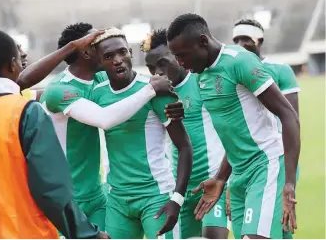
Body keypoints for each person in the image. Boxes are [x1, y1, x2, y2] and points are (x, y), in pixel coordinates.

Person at [0, 29, 109, 239]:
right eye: (20, 58)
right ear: (12, 65)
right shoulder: (26, 112)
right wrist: (88, 233)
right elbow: (52, 189)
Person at [166, 14, 300, 239]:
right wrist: (220, 178)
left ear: (202, 42)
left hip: (265, 167)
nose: (180, 63)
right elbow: (234, 134)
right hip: (237, 177)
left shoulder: (240, 61)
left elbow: (289, 115)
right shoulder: (201, 76)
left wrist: (289, 182)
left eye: (182, 55)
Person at [39, 23, 182, 233]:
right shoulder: (60, 89)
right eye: (96, 40)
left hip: (98, 197)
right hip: (65, 199)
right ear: (87, 51)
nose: (105, 42)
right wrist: (151, 90)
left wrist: (170, 99)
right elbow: (104, 119)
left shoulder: (100, 80)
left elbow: (132, 81)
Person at [90, 27, 193, 239]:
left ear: (130, 52)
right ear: (100, 63)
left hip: (156, 196)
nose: (117, 60)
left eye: (121, 52)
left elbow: (184, 146)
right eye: (108, 56)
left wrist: (176, 198)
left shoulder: (155, 89)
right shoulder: (97, 95)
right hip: (117, 200)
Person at [141, 28, 230, 239]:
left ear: (177, 55)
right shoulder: (154, 96)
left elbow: (231, 133)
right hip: (179, 190)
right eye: (151, 68)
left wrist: (228, 180)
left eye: (162, 63)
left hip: (213, 181)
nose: (157, 73)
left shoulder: (203, 82)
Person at [232, 18, 301, 239]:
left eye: (246, 39)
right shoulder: (234, 72)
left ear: (259, 40)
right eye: (237, 40)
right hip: (248, 159)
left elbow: (292, 117)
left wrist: (289, 173)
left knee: (274, 225)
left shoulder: (279, 70)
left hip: (276, 157)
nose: (241, 44)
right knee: (271, 228)